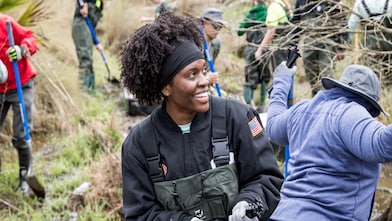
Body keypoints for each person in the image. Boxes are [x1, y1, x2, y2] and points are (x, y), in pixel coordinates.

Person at [121, 12, 283, 221]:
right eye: (192, 74)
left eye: (204, 70)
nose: (205, 81)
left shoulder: (237, 117)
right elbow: (140, 214)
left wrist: (249, 203)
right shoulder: (139, 144)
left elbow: (268, 179)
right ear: (167, 87)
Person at [266, 62, 392, 220]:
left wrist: (282, 80)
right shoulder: (352, 113)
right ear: (369, 105)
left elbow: (272, 127)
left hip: (282, 214)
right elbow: (382, 145)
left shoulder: (302, 109)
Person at [0, 14, 39, 194]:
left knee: (21, 135)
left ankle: (25, 177)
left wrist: (21, 49)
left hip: (20, 83)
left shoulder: (5, 22)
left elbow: (30, 38)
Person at [291, 0, 347, 96]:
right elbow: (296, 23)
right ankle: (316, 101)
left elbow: (341, 22)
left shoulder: (332, 1)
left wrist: (341, 47)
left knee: (328, 77)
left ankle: (329, 103)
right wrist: (292, 44)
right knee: (311, 76)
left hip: (327, 44)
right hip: (310, 44)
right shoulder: (301, 2)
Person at [347, 0, 392, 86]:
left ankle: (377, 94)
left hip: (369, 45)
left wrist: (349, 40)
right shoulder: (390, 2)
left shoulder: (360, 3)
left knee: (372, 74)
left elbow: (352, 26)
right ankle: (388, 93)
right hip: (389, 44)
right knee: (389, 72)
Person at [72, 0, 103, 94]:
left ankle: (91, 89)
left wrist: (96, 41)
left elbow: (93, 23)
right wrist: (83, 4)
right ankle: (83, 91)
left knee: (89, 58)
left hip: (88, 27)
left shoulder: (99, 3)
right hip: (81, 25)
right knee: (85, 58)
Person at [199, 8, 227, 93]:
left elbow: (209, 67)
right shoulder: (192, 41)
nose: (217, 30)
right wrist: (206, 78)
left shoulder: (216, 42)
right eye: (215, 26)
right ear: (204, 22)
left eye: (220, 27)